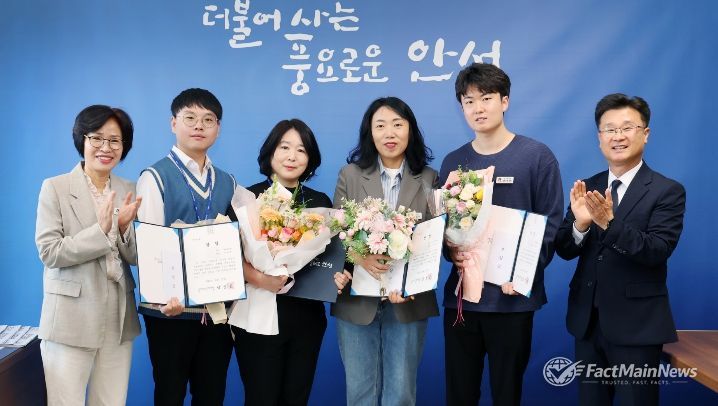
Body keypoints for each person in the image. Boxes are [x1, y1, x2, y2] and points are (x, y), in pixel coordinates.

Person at [440, 63, 564, 405]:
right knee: (459, 395)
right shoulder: (453, 162)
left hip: (511, 300)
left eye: (486, 98)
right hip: (462, 301)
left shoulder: (536, 157)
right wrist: (450, 251)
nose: (478, 108)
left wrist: (523, 274)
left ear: (505, 101)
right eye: (468, 101)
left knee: (506, 394)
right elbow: (443, 225)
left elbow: (551, 224)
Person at [554, 94, 686, 406]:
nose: (618, 136)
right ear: (599, 137)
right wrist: (581, 224)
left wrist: (609, 224)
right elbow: (564, 249)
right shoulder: (589, 185)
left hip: (637, 326)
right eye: (610, 129)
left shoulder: (667, 191)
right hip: (587, 323)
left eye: (627, 128)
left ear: (645, 133)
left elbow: (657, 250)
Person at [332, 96, 438, 406]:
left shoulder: (429, 178)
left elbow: (432, 239)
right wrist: (359, 257)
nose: (389, 133)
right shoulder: (350, 175)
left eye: (397, 124)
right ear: (370, 132)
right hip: (357, 300)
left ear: (410, 130)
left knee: (400, 394)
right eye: (380, 126)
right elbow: (337, 233)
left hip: (408, 301)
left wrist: (410, 283)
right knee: (359, 393)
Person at [35, 105, 142, 405]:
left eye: (115, 140)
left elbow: (136, 257)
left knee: (111, 401)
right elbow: (50, 252)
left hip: (118, 317)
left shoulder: (129, 189)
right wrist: (101, 232)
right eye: (97, 138)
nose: (106, 148)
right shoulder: (55, 187)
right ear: (81, 139)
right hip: (70, 317)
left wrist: (123, 229)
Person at [136, 88, 236, 406]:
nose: (199, 126)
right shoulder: (155, 177)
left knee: (211, 395)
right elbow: (150, 246)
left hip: (216, 311)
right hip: (170, 310)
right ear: (173, 123)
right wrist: (164, 296)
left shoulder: (228, 182)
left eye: (208, 119)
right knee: (170, 394)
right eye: (190, 117)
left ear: (218, 128)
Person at [229, 118, 332, 406]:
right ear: (271, 152)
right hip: (256, 318)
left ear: (310, 158)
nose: (292, 156)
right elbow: (227, 257)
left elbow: (331, 259)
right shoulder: (247, 199)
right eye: (284, 147)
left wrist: (340, 276)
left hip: (306, 318)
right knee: (260, 398)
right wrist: (260, 278)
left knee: (297, 398)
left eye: (301, 150)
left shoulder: (320, 203)